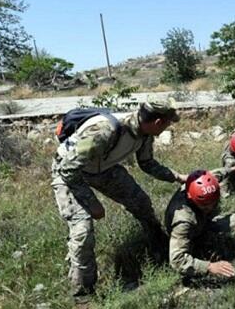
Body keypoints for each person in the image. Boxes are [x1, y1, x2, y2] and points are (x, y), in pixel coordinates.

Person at [51, 101, 188, 301]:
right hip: (69, 173)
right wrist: (93, 203)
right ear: (158, 121)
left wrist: (176, 176)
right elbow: (68, 169)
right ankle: (82, 292)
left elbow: (147, 163)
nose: (167, 128)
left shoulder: (145, 133)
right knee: (82, 230)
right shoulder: (105, 130)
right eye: (168, 124)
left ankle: (159, 243)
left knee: (140, 202)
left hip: (103, 168)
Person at [165, 169, 235, 278]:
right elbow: (177, 260)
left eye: (214, 202)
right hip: (193, 233)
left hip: (202, 221)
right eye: (205, 205)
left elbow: (217, 173)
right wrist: (209, 267)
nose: (211, 207)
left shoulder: (200, 183)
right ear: (191, 198)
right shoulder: (184, 222)